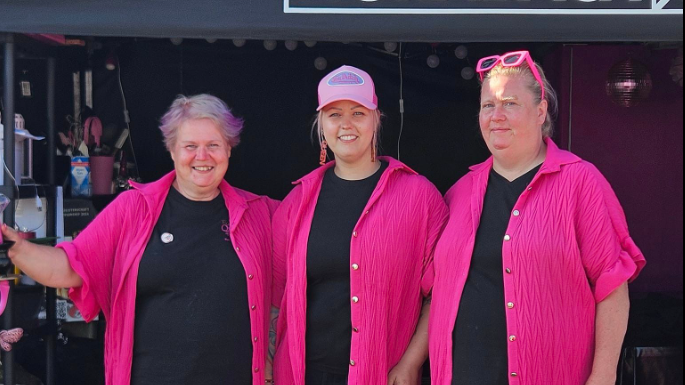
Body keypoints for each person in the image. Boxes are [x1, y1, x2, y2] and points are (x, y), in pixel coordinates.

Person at [3, 94, 277, 385]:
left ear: (229, 149)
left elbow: (311, 259)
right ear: (172, 150)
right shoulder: (133, 209)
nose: (202, 156)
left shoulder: (260, 213)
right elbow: (69, 266)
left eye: (213, 145)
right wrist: (15, 250)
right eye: (190, 146)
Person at [428, 50, 646, 385]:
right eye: (488, 105)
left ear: (541, 111)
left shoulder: (580, 182)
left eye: (510, 103)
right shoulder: (459, 193)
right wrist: (409, 362)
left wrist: (603, 375)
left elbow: (612, 287)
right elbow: (434, 291)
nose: (496, 115)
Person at [270, 65, 449, 385]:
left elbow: (441, 295)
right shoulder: (297, 203)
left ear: (377, 118)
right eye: (334, 114)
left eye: (358, 112)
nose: (346, 124)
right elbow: (276, 296)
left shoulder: (419, 198)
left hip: (383, 375)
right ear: (321, 125)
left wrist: (411, 363)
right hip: (302, 374)